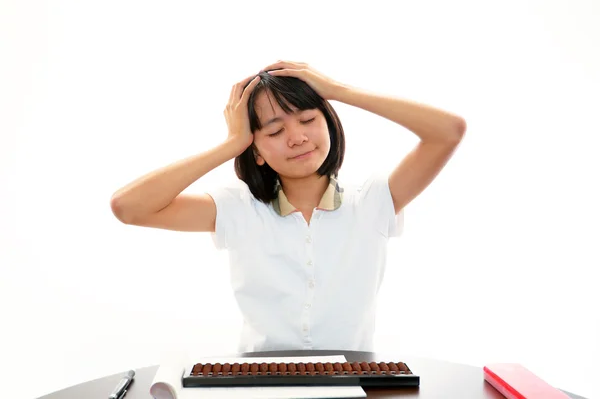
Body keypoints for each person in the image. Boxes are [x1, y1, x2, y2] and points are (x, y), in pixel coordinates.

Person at [110, 60, 466, 353]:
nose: (297, 137)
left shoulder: (371, 201)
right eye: (275, 132)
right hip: (258, 384)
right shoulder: (238, 209)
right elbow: (129, 207)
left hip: (356, 382)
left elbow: (449, 131)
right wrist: (231, 144)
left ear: (329, 123)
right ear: (257, 150)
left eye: (308, 119)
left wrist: (339, 91)